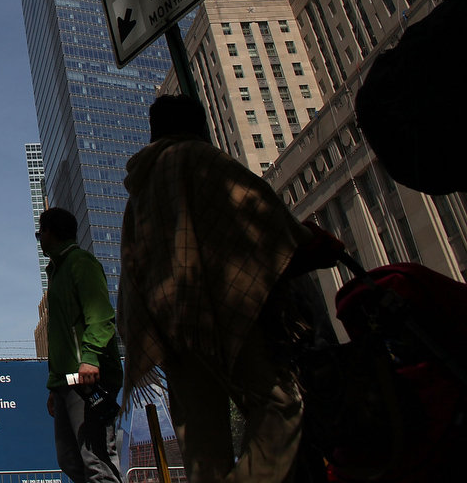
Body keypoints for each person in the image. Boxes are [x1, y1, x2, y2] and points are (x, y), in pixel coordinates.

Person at [117, 95, 343, 483]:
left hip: (173, 330)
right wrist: (310, 241)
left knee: (202, 449)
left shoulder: (139, 190)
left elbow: (132, 266)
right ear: (197, 125)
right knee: (280, 410)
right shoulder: (198, 158)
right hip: (223, 316)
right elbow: (262, 216)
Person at [38, 207, 123, 483]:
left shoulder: (80, 262)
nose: (39, 238)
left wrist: (90, 358)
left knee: (96, 459)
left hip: (88, 379)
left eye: (39, 232)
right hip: (65, 384)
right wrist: (54, 388)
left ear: (50, 233)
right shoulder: (57, 272)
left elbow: (101, 317)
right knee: (70, 461)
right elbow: (61, 338)